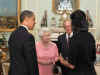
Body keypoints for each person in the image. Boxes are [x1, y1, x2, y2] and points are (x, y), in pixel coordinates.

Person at [8, 10, 39, 75]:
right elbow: (31, 61)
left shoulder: (12, 34)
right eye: (33, 19)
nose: (35, 22)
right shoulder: (29, 37)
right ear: (26, 20)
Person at [69, 9, 96, 75]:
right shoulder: (90, 36)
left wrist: (62, 60)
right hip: (90, 71)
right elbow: (93, 58)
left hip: (78, 72)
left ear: (74, 23)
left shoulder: (74, 39)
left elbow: (72, 62)